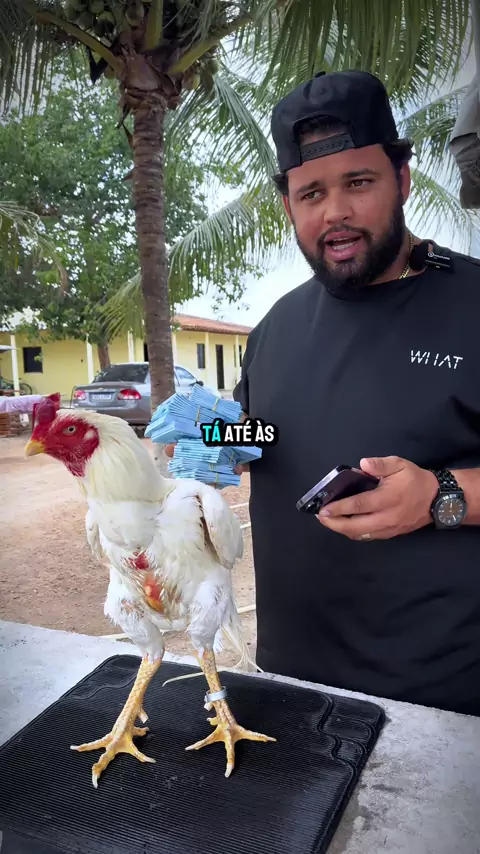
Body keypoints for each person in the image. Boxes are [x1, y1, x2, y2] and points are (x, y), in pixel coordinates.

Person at [170, 70, 480, 716]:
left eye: (358, 182)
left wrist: (440, 495)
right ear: (288, 205)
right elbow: (272, 434)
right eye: (311, 192)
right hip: (289, 685)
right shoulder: (275, 327)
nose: (334, 211)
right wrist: (211, 437)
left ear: (402, 178)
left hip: (447, 699)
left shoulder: (472, 301)